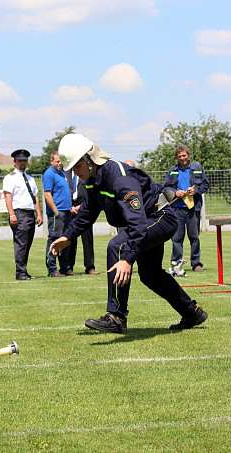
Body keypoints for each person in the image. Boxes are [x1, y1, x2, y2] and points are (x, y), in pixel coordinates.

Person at [50, 133, 208, 333]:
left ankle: (116, 317)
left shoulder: (120, 179)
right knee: (150, 275)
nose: (74, 172)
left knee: (117, 246)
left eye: (76, 166)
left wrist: (127, 258)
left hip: (159, 218)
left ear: (90, 160)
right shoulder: (92, 179)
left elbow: (138, 224)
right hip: (145, 222)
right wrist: (68, 236)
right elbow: (88, 211)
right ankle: (192, 312)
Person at [164, 145, 209, 275]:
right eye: (180, 156)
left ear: (188, 155)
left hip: (193, 208)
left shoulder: (197, 168)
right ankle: (176, 263)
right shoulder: (173, 170)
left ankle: (196, 264)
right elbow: (166, 187)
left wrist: (196, 190)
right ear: (177, 157)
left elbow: (205, 185)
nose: (182, 158)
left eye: (184, 155)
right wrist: (175, 192)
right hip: (177, 209)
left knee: (194, 236)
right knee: (177, 238)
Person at [3, 149, 43, 280]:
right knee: (21, 244)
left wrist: (39, 214)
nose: (22, 163)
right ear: (14, 162)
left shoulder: (30, 178)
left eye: (24, 161)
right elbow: (8, 196)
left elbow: (35, 197)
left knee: (27, 244)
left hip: (30, 213)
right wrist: (12, 214)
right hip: (19, 213)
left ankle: (24, 271)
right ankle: (20, 273)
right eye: (20, 161)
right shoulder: (10, 178)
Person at [43, 151, 73, 277]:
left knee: (65, 240)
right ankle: (52, 270)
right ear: (51, 162)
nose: (60, 164)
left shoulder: (62, 174)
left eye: (61, 161)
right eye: (57, 161)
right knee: (54, 240)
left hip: (66, 212)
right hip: (57, 213)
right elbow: (47, 194)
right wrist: (55, 211)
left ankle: (65, 268)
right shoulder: (49, 174)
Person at [65, 169, 100, 275]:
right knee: (70, 238)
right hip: (68, 207)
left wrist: (82, 207)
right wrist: (69, 207)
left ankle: (90, 267)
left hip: (84, 207)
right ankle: (69, 268)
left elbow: (91, 192)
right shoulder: (63, 173)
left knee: (87, 239)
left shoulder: (84, 172)